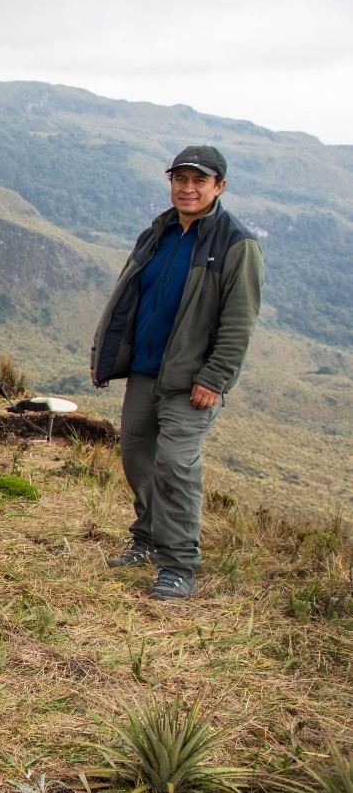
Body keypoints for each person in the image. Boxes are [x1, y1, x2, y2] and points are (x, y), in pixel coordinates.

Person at [92, 145, 263, 600]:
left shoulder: (235, 243)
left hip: (192, 382)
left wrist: (215, 377)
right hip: (146, 372)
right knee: (136, 457)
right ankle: (146, 539)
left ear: (219, 187)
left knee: (176, 466)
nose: (188, 189)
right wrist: (107, 358)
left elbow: (239, 319)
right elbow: (128, 298)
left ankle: (179, 565)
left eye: (199, 181)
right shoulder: (159, 232)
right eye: (180, 180)